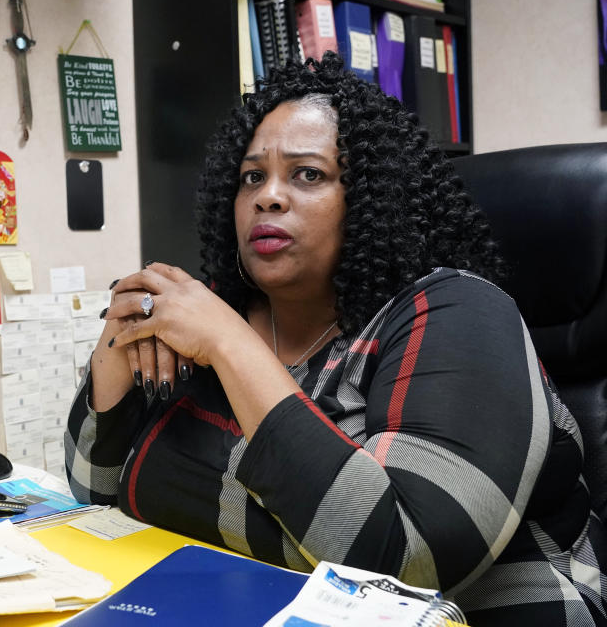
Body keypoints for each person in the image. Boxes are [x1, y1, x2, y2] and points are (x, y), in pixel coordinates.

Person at [65, 53, 607, 626]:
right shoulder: (211, 315)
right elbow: (95, 492)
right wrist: (117, 344)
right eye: (252, 176)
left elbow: (406, 561)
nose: (267, 198)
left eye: (308, 174)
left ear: (373, 197)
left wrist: (230, 346)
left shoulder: (458, 314)